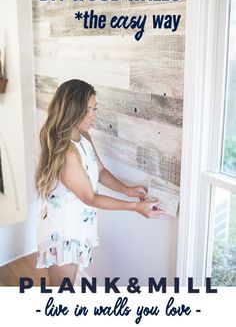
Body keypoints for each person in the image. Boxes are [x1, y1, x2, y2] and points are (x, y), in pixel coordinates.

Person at [35, 79, 163, 285]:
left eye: (94, 109)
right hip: (63, 232)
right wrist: (135, 207)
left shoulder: (83, 135)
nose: (93, 115)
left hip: (77, 224)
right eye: (88, 110)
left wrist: (127, 190)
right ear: (71, 110)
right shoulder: (67, 152)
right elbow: (90, 197)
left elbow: (100, 171)